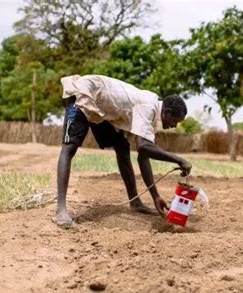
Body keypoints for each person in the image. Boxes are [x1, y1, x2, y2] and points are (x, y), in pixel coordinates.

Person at [55, 74, 192, 227]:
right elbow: (143, 146)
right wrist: (178, 159)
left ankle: (135, 202)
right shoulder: (148, 106)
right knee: (69, 147)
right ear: (166, 112)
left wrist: (155, 196)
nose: (174, 126)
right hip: (84, 94)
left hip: (100, 108)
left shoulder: (153, 116)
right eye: (175, 121)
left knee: (122, 146)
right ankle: (61, 211)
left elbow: (143, 155)